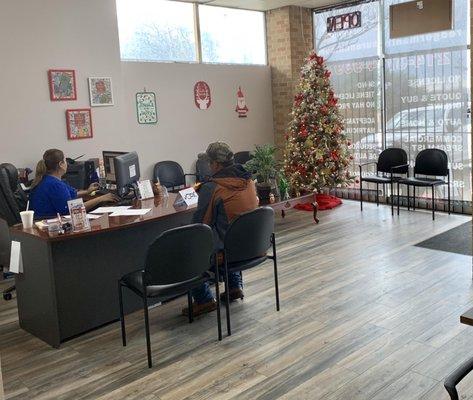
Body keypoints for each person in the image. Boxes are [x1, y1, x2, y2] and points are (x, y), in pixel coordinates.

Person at [183, 142, 258, 316]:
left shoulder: (212, 188)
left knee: (189, 244)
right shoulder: (248, 180)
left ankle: (204, 299)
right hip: (253, 245)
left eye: (209, 163)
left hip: (228, 252)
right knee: (232, 230)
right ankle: (234, 286)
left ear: (216, 164)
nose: (208, 167)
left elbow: (199, 225)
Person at [30, 149, 118, 218]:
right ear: (61, 164)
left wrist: (87, 191)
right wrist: (101, 198)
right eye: (65, 161)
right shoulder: (55, 185)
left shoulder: (46, 179)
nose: (67, 164)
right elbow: (72, 210)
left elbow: (70, 194)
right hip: (52, 224)